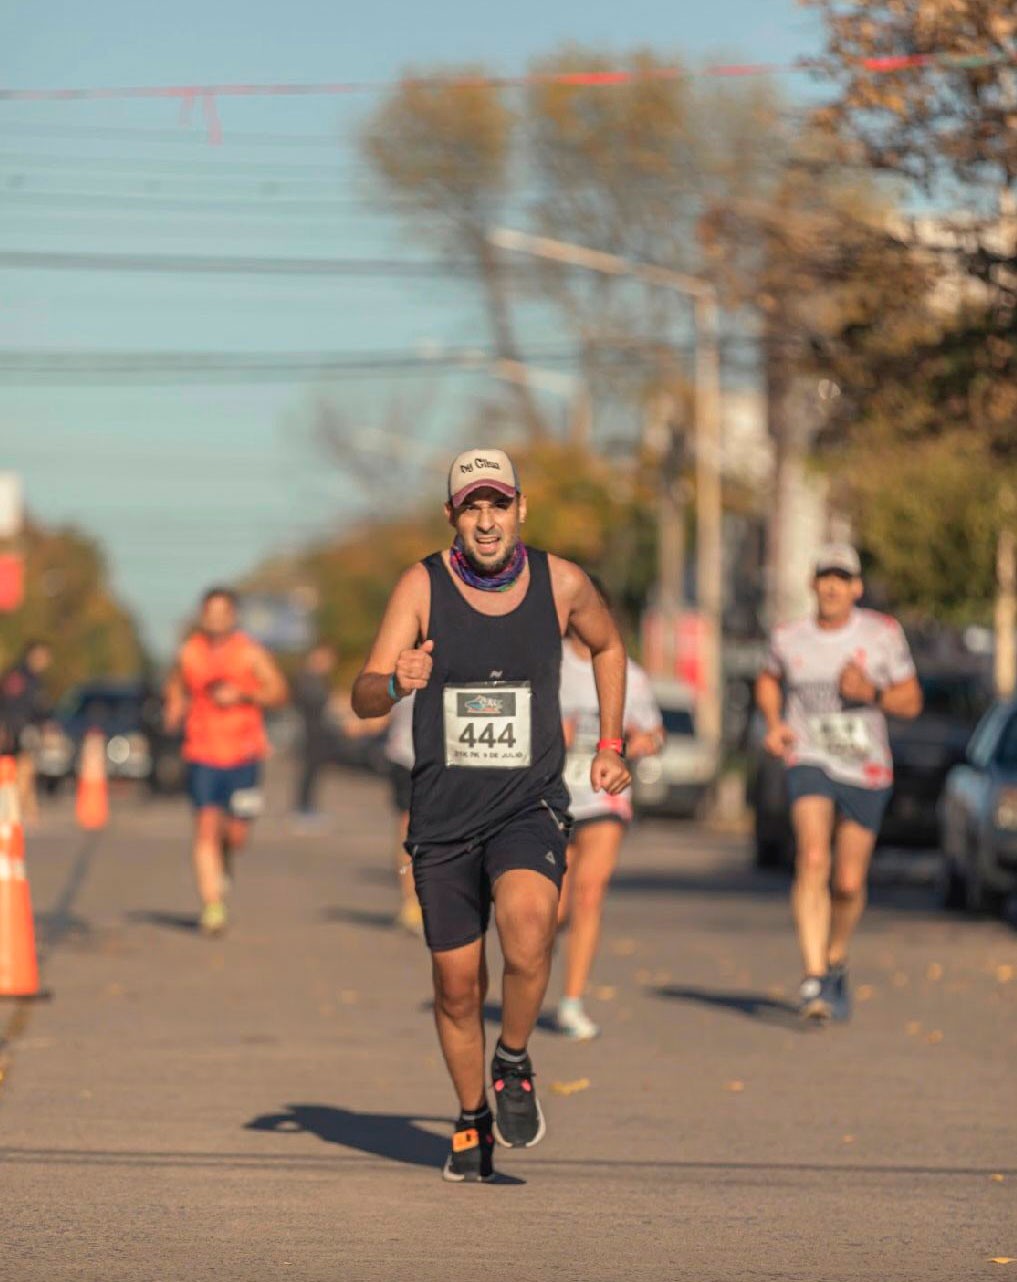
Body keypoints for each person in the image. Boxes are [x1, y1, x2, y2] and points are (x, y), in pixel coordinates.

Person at [351, 448, 630, 1183]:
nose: (485, 520)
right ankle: (472, 1114)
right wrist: (394, 680)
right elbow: (362, 693)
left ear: (519, 510)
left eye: (497, 505)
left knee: (530, 927)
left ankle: (511, 1059)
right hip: (442, 814)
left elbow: (607, 646)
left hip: (526, 802)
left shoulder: (561, 582)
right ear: (452, 516)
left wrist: (609, 741)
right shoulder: (420, 585)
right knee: (455, 984)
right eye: (471, 507)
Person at [756, 543, 922, 1021]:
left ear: (856, 587)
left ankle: (835, 957)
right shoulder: (789, 637)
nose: (831, 585)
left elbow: (911, 702)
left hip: (866, 767)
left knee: (848, 883)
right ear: (813, 584)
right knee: (812, 857)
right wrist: (774, 722)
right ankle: (812, 978)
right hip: (809, 756)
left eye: (841, 577)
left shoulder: (882, 633)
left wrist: (869, 691)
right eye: (824, 576)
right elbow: (768, 680)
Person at [557, 588, 663, 1040]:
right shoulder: (549, 662)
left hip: (604, 797)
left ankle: (572, 1000)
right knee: (550, 908)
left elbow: (653, 732)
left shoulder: (628, 672)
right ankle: (529, 984)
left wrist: (639, 742)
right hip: (551, 795)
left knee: (588, 894)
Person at [164, 587, 287, 936]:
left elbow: (279, 692)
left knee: (236, 834)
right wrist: (174, 705)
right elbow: (176, 685)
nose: (216, 618)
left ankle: (225, 859)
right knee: (205, 825)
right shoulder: (190, 651)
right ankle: (212, 905)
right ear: (202, 615)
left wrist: (244, 693)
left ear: (233, 616)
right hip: (202, 750)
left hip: (245, 753)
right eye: (210, 611)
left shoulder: (250, 652)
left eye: (223, 612)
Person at [0, 640, 53, 824]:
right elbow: (8, 704)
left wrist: (45, 722)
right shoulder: (18, 676)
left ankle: (27, 807)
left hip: (27, 727)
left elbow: (39, 707)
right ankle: (16, 806)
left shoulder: (35, 679)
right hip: (17, 727)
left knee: (28, 768)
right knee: (23, 767)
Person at [384, 691, 424, 936]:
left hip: (451, 762)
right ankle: (411, 903)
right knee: (409, 829)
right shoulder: (404, 660)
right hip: (406, 758)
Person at [291, 643, 337, 822]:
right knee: (308, 772)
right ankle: (303, 808)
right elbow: (314, 703)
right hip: (308, 733)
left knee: (315, 772)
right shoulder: (305, 678)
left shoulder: (321, 680)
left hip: (319, 733)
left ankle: (308, 806)